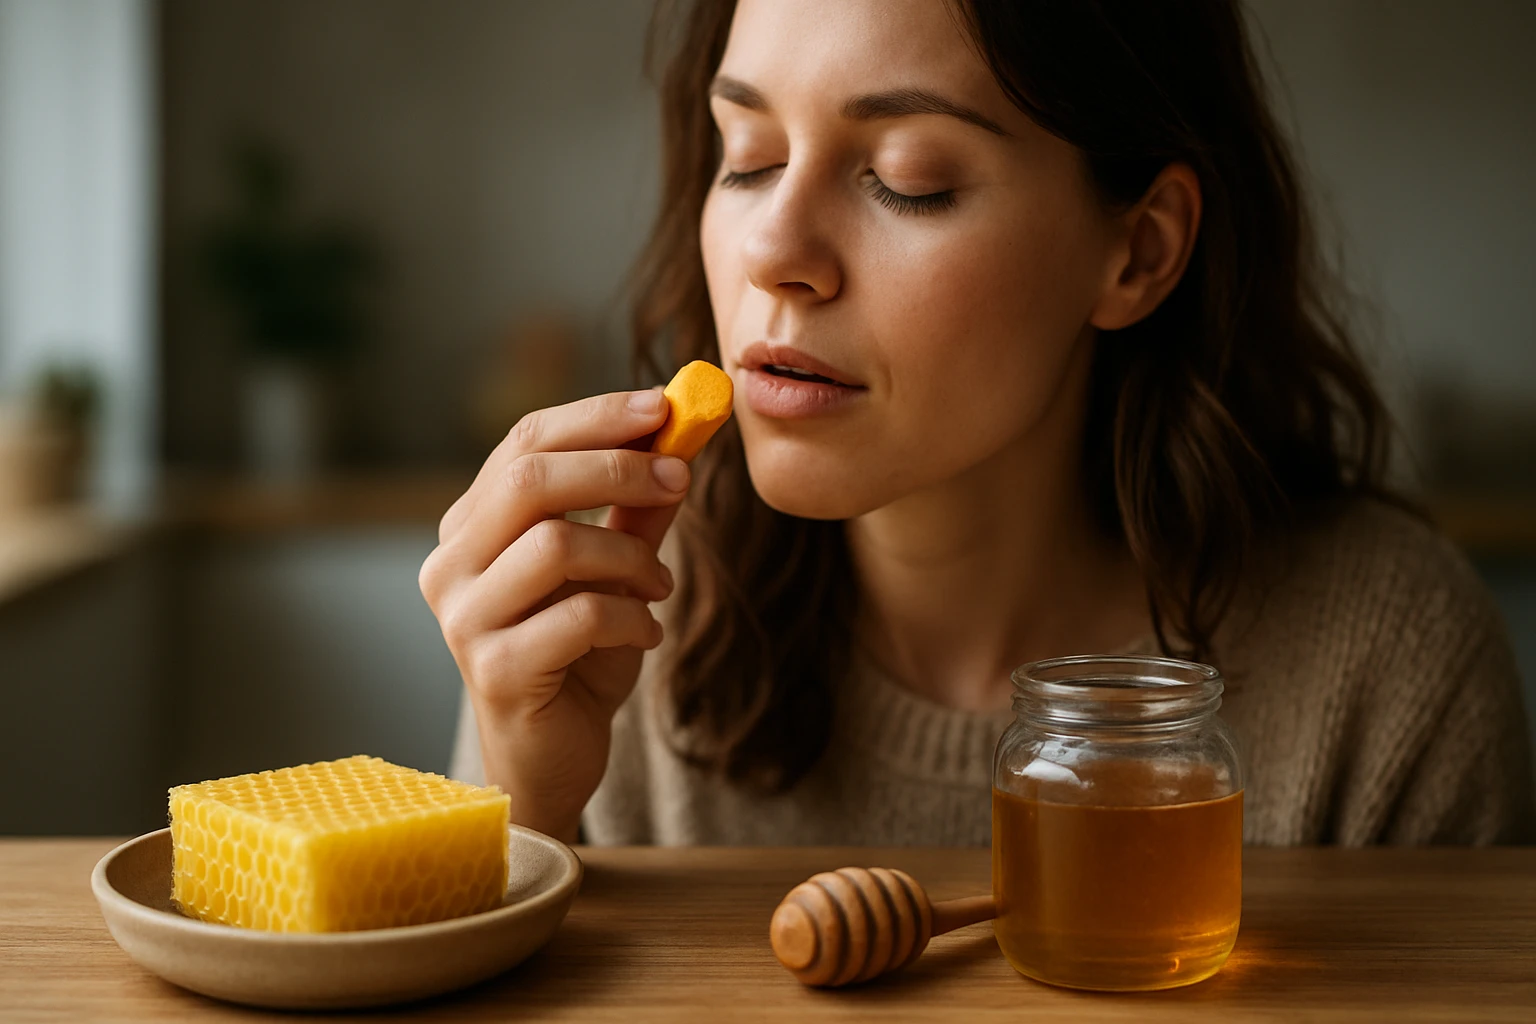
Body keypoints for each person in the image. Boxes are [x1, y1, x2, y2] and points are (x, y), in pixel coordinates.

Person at [420, 0, 1534, 847]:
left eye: (907, 180)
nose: (771, 252)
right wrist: (525, 811)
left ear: (1138, 252)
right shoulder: (619, 603)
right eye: (747, 159)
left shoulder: (1388, 669)